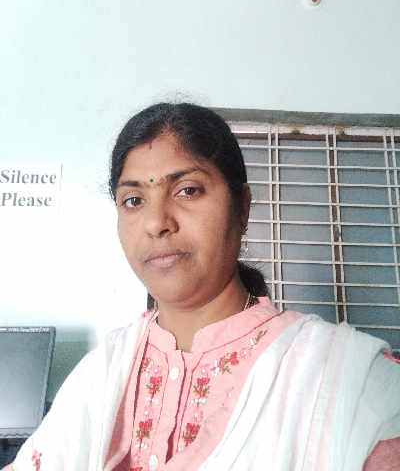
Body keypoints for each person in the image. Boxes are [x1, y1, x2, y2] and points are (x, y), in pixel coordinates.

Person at [3, 102, 400, 471]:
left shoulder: (349, 380)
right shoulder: (99, 373)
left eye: (187, 190)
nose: (156, 222)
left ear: (242, 207)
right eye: (134, 200)